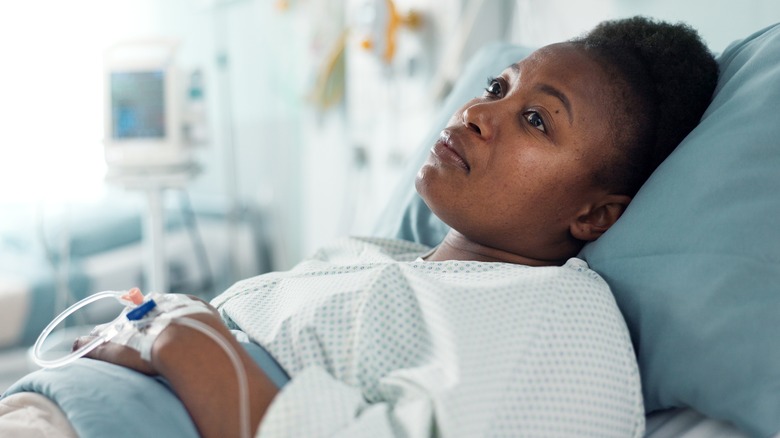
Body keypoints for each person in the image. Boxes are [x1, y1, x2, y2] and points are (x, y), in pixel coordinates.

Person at [0, 16, 717, 438]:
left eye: (536, 119)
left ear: (594, 213)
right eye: (497, 86)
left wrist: (182, 338)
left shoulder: (560, 321)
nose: (477, 112)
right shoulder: (377, 255)